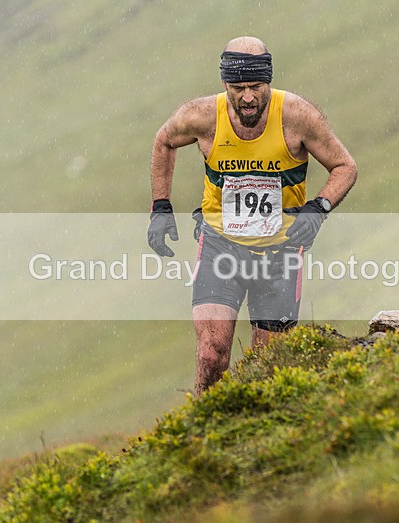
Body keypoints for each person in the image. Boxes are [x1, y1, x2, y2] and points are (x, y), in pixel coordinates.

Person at [148, 36, 356, 395]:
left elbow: (345, 167)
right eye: (238, 88)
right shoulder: (203, 116)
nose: (247, 97)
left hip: (280, 255)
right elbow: (164, 140)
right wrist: (161, 207)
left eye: (256, 87)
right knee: (212, 354)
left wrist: (318, 209)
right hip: (220, 247)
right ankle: (201, 433)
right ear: (225, 84)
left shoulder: (297, 116)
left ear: (269, 83)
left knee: (267, 365)